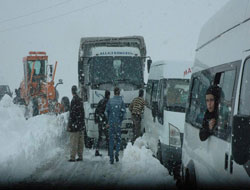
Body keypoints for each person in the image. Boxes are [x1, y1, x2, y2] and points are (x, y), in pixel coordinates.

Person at [105, 87, 126, 164]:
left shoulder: (110, 101)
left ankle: (111, 158)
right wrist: (120, 120)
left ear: (114, 93)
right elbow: (124, 113)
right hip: (118, 124)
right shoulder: (121, 101)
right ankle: (116, 154)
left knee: (111, 140)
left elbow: (106, 112)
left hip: (111, 123)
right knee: (118, 139)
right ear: (119, 92)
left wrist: (109, 120)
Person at [67, 85, 85, 162]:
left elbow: (72, 114)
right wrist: (81, 122)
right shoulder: (80, 100)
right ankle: (80, 156)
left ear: (72, 92)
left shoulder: (73, 100)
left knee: (74, 142)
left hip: (75, 125)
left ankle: (72, 157)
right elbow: (82, 112)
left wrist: (70, 125)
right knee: (80, 142)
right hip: (80, 124)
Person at [94, 90, 110, 157]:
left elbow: (96, 111)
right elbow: (106, 113)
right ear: (108, 95)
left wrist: (96, 120)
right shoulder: (107, 102)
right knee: (108, 137)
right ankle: (110, 151)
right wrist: (106, 122)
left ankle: (97, 151)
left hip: (100, 121)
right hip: (104, 121)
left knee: (100, 137)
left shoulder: (101, 101)